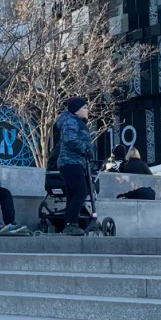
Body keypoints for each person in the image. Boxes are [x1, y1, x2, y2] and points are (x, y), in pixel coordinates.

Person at [54, 97, 96, 236]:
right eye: (84, 108)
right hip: (71, 162)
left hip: (72, 162)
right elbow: (70, 139)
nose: (87, 110)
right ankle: (71, 223)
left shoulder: (74, 121)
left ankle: (70, 224)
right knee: (81, 192)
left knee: (73, 194)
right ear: (76, 110)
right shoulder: (71, 121)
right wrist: (86, 148)